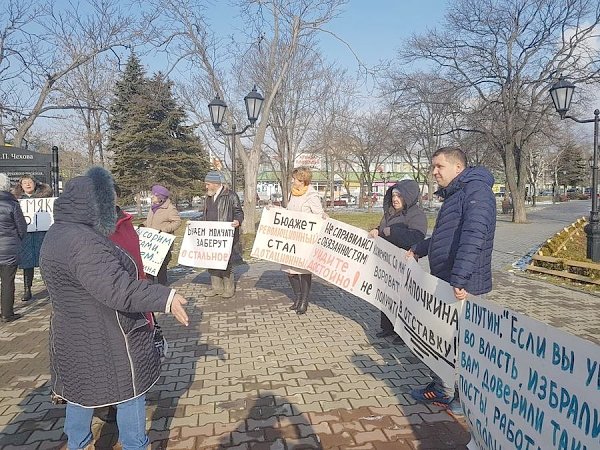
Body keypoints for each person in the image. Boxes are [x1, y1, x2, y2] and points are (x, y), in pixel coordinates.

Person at [39, 167, 189, 450]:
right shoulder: (83, 241)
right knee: (130, 392)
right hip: (107, 333)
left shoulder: (59, 232)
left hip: (72, 333)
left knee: (80, 393)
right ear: (94, 203)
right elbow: (117, 288)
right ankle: (135, 445)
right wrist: (165, 298)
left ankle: (78, 443)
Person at [407, 147, 496, 415]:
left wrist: (461, 278)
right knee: (444, 338)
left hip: (464, 284)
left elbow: (474, 236)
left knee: (463, 343)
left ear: (458, 167)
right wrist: (420, 248)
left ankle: (463, 397)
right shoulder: (457, 194)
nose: (434, 172)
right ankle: (441, 387)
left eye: (439, 167)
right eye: (433, 167)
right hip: (448, 280)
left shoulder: (476, 192)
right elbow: (448, 236)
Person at [368, 179, 427, 339]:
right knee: (387, 294)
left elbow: (416, 237)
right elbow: (382, 229)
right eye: (393, 195)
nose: (395, 199)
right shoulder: (389, 212)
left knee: (403, 298)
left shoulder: (416, 214)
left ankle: (403, 332)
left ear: (408, 197)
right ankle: (387, 327)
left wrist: (391, 232)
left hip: (405, 263)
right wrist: (375, 230)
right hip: (387, 264)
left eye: (399, 196)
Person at [281, 167, 324, 315]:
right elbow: (288, 212)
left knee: (303, 270)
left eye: (295, 179)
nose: (293, 181)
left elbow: (318, 215)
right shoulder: (292, 193)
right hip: (291, 237)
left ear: (303, 180)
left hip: (305, 239)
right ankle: (297, 298)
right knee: (290, 270)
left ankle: (304, 301)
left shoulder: (311, 195)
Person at [202, 171, 244, 299]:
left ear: (215, 184)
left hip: (225, 237)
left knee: (225, 262)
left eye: (208, 184)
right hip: (211, 237)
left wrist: (238, 221)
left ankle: (229, 289)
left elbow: (239, 212)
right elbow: (205, 214)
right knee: (212, 262)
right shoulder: (208, 197)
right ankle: (217, 288)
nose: (206, 187)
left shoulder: (231, 196)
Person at [11, 174, 53, 301]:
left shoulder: (45, 198)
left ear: (35, 184)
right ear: (21, 185)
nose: (28, 184)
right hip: (26, 236)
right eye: (25, 183)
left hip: (41, 235)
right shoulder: (16, 200)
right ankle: (27, 289)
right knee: (27, 264)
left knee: (44, 263)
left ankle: (51, 289)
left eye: (30, 182)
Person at [0, 173, 28, 323]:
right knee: (7, 282)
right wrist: (18, 240)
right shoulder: (12, 204)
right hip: (9, 250)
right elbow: (22, 227)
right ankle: (7, 313)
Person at [144, 184, 181, 285]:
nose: (152, 197)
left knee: (161, 266)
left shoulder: (170, 209)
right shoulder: (152, 208)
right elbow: (150, 221)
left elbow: (177, 222)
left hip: (162, 243)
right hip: (151, 243)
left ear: (160, 198)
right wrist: (143, 225)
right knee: (148, 266)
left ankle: (162, 286)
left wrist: (164, 229)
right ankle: (149, 286)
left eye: (154, 195)